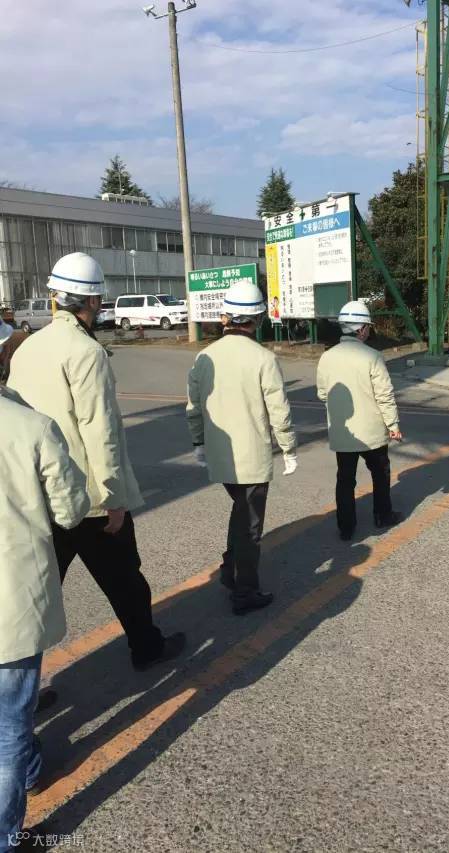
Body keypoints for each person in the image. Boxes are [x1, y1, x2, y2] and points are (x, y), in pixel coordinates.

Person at [9, 252, 185, 671]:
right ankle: (147, 648)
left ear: (56, 296)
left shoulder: (27, 348)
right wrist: (114, 498)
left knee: (35, 593)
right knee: (124, 580)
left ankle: (20, 690)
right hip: (88, 497)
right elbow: (100, 431)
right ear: (93, 301)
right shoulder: (86, 352)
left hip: (38, 490)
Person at [0, 381, 90, 853]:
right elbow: (71, 510)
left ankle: (31, 769)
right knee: (10, 723)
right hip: (11, 599)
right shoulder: (32, 426)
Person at [186, 280, 297, 615]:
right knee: (250, 526)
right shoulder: (264, 358)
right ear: (258, 318)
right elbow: (279, 410)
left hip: (219, 456)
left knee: (240, 512)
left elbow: (194, 407)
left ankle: (228, 570)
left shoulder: (204, 357)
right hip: (252, 460)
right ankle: (244, 591)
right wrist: (288, 448)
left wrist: (199, 442)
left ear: (226, 317)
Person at [316, 300, 403, 541]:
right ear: (362, 329)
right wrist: (393, 425)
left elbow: (322, 394)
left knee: (345, 479)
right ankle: (382, 515)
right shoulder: (373, 356)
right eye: (368, 327)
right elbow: (384, 395)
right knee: (380, 472)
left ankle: (346, 527)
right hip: (371, 431)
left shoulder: (327, 357)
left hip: (343, 432)